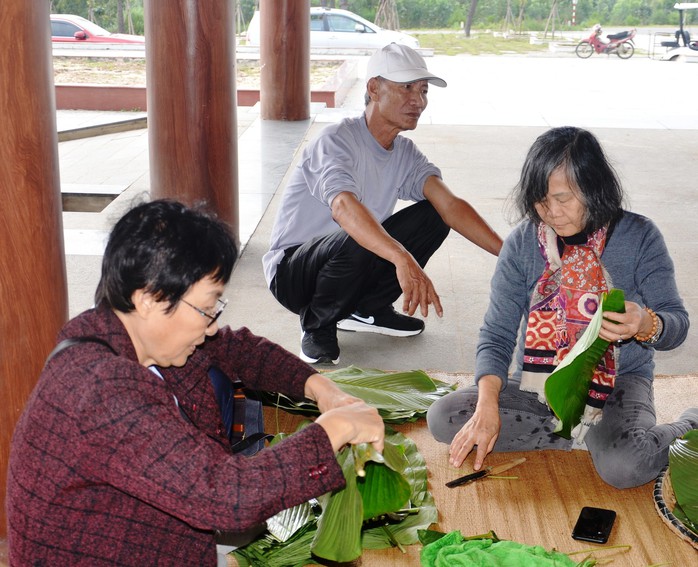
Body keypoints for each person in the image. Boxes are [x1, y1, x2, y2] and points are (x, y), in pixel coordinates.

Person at [7, 199, 385, 566]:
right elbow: (225, 497)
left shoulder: (137, 336)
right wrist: (332, 430)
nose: (213, 324)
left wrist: (324, 390)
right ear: (149, 298)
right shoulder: (101, 389)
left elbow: (239, 350)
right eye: (206, 308)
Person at [426, 126, 697, 489]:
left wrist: (646, 323)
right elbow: (498, 332)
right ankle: (586, 435)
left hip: (617, 382)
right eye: (540, 201)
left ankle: (688, 423)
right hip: (539, 382)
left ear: (594, 187)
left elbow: (676, 324)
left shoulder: (640, 236)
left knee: (627, 467)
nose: (551, 212)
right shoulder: (523, 243)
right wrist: (487, 405)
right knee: (443, 417)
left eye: (563, 199)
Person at [262, 43, 502, 365]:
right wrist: (401, 257)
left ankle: (367, 310)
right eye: (406, 88)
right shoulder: (336, 141)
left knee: (434, 214)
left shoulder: (404, 153)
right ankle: (318, 324)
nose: (418, 101)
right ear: (374, 88)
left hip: (348, 264)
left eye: (423, 90)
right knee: (360, 230)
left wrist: (511, 253)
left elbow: (451, 205)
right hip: (295, 273)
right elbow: (344, 208)